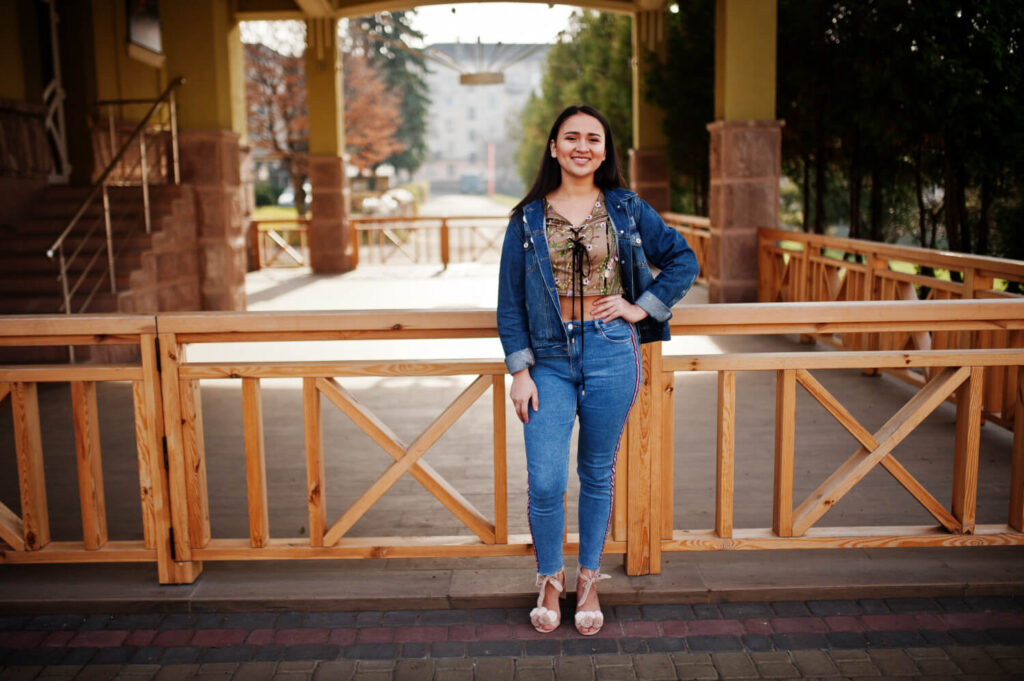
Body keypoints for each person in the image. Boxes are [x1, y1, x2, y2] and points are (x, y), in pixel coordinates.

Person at [497, 104, 699, 635]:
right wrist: (519, 369)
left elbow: (683, 259)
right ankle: (548, 577)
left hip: (612, 349)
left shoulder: (627, 208)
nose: (582, 146)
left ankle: (588, 580)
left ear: (604, 150)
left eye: (593, 138)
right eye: (571, 137)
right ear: (554, 148)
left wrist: (641, 306)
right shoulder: (526, 218)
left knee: (596, 472)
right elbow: (509, 302)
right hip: (548, 358)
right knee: (545, 479)